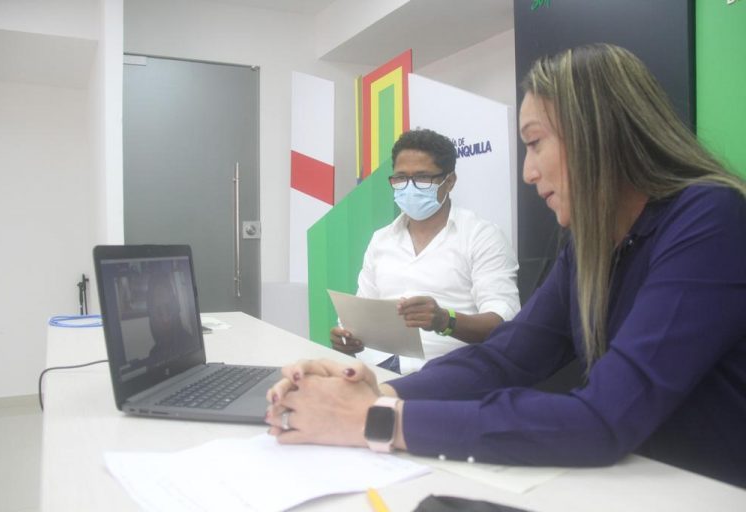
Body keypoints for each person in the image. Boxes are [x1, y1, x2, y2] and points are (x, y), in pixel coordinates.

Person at [265, 43, 746, 488]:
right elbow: (506, 357)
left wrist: (371, 420)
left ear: (599, 133)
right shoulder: (589, 246)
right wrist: (377, 390)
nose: (527, 171)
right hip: (635, 483)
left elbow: (603, 418)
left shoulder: (711, 220)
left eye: (536, 143)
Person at [331, 128, 520, 374]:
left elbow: (503, 323)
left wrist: (445, 320)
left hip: (448, 371)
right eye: (400, 178)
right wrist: (347, 337)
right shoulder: (381, 240)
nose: (410, 188)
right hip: (376, 369)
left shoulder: (481, 236)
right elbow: (359, 316)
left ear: (449, 181)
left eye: (422, 178)